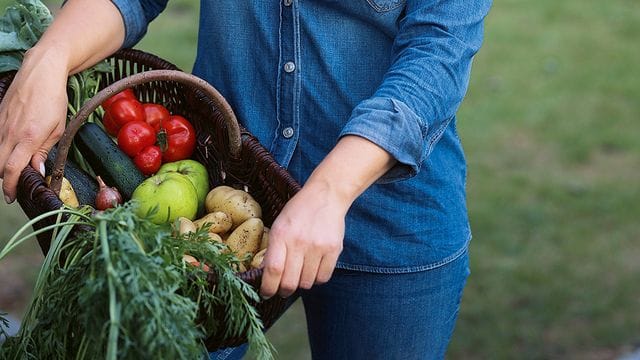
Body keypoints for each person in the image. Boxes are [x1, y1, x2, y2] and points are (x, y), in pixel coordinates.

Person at [0, 0, 491, 358]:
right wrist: (49, 60)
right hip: (214, 203)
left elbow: (438, 53)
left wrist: (329, 191)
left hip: (390, 218)